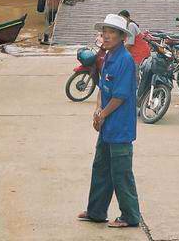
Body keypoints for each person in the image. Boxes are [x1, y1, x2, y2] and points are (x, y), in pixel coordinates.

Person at [78, 14, 141, 228]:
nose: (106, 36)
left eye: (111, 32)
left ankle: (130, 216)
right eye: (104, 31)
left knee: (121, 174)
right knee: (101, 168)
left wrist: (103, 114)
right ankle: (96, 211)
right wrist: (98, 110)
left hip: (120, 128)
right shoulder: (107, 57)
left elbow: (120, 96)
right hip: (107, 126)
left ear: (122, 36)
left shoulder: (125, 60)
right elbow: (102, 90)